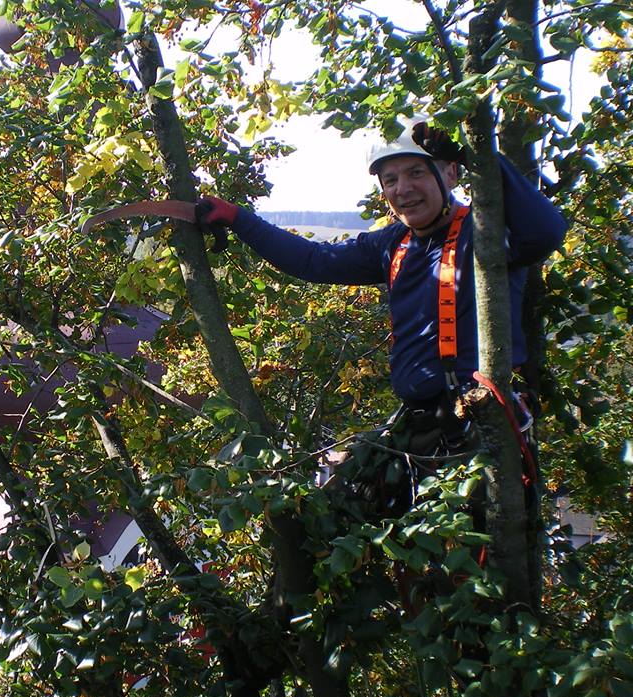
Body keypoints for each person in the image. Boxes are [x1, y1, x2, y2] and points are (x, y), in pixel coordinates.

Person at [197, 119, 568, 517]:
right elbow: (314, 260)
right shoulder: (394, 244)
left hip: (479, 431)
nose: (402, 189)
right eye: (390, 180)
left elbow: (545, 233)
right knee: (333, 514)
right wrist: (237, 218)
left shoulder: (485, 232)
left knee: (466, 555)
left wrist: (480, 154)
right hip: (422, 425)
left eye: (415, 173)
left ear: (451, 172)